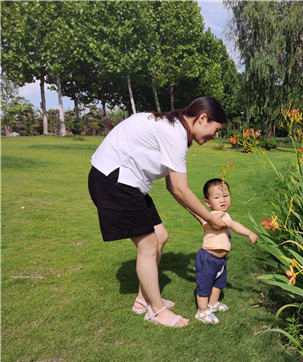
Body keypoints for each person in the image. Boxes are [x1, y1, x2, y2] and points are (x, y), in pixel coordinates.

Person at [88, 96, 227, 328]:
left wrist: (202, 219)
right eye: (217, 129)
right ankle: (157, 311)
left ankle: (143, 300)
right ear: (203, 118)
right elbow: (181, 189)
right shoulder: (175, 133)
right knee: (149, 245)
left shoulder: (174, 128)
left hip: (126, 181)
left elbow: (172, 187)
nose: (215, 135)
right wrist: (210, 217)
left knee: (160, 236)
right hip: (114, 180)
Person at [193, 178, 258, 324]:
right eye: (216, 197)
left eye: (226, 195)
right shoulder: (215, 216)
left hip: (220, 260)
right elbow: (233, 225)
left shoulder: (222, 215)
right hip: (207, 258)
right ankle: (202, 312)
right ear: (208, 203)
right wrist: (249, 233)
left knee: (218, 283)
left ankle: (212, 304)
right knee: (204, 286)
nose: (222, 200)